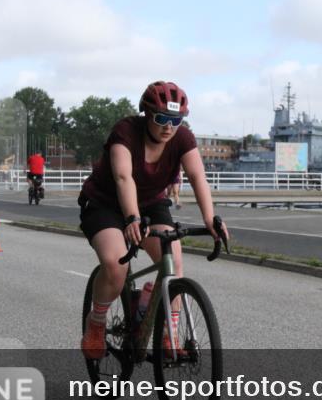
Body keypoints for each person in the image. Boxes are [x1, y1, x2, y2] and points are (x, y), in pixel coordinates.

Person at [79, 81, 228, 358]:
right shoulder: (125, 131)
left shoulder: (182, 138)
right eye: (161, 118)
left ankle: (167, 335)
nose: (168, 127)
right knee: (116, 265)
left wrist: (210, 219)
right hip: (104, 203)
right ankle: (96, 323)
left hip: (151, 203)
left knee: (173, 262)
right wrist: (132, 218)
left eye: (176, 120)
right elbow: (124, 177)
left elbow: (197, 177)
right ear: (146, 113)